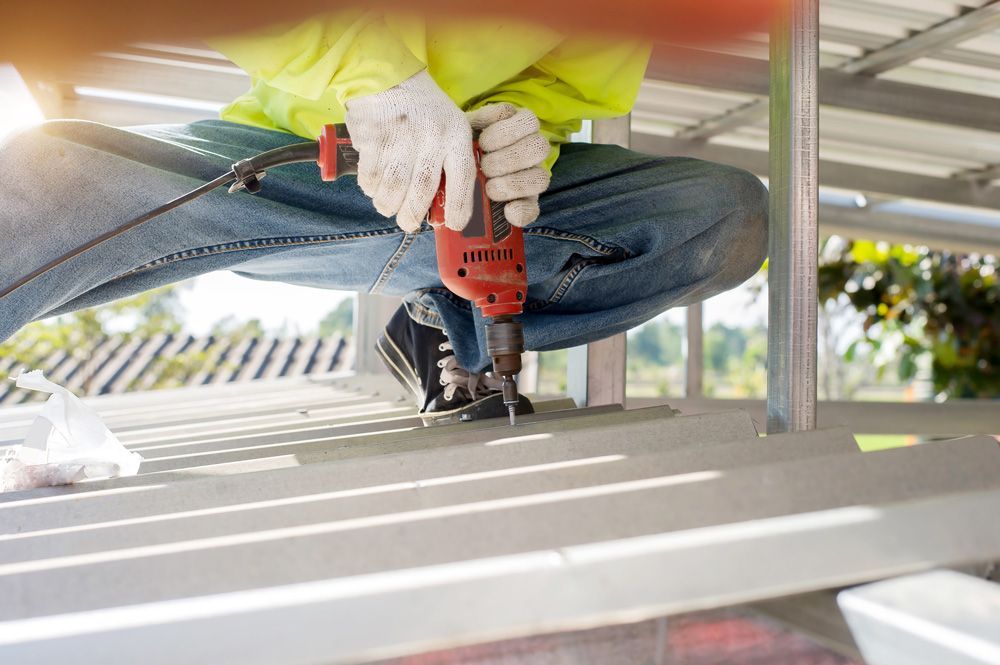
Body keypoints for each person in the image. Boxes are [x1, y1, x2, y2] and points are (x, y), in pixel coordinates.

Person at [0, 11, 768, 424]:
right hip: (293, 159)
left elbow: (564, 80)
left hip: (463, 190)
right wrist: (375, 79)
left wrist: (521, 132)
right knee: (47, 175)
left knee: (722, 214)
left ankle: (448, 314)